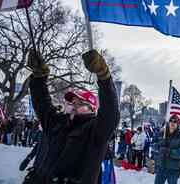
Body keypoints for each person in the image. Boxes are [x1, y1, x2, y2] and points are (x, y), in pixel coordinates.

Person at [22, 49, 120, 184]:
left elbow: (111, 113)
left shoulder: (96, 130)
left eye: (80, 103)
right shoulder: (56, 122)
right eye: (71, 102)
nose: (74, 105)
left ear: (92, 109)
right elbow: (41, 102)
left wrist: (104, 76)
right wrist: (39, 77)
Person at [154, 115, 180, 184]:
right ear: (168, 122)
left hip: (173, 170)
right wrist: (159, 146)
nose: (172, 123)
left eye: (175, 122)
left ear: (177, 124)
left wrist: (169, 151)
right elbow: (153, 145)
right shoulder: (161, 134)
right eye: (171, 121)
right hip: (161, 167)